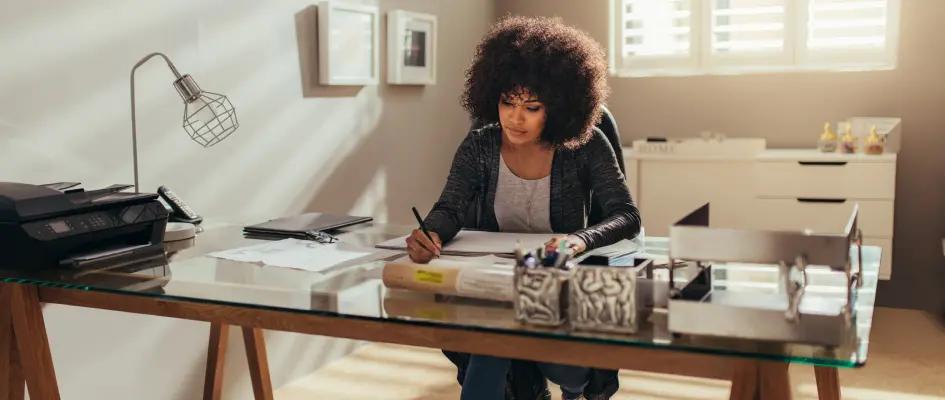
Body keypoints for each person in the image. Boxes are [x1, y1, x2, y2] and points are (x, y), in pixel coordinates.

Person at [405, 16, 641, 400]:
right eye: (507, 102)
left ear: (559, 106)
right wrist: (429, 233)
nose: (515, 117)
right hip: (498, 283)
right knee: (491, 341)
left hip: (558, 282)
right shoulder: (479, 146)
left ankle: (572, 386)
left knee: (548, 358)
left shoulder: (586, 144)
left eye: (531, 107)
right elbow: (450, 208)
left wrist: (579, 241)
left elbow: (627, 216)